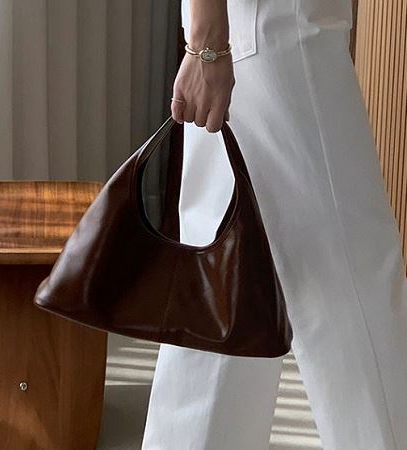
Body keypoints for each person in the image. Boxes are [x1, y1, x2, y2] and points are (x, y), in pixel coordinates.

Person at [141, 0, 407, 449]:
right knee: (355, 284)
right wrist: (208, 43)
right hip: (277, 31)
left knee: (227, 297)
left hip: (258, 37)